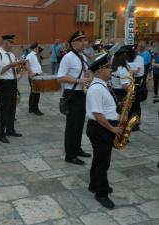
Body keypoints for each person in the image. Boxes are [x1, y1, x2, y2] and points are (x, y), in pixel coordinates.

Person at [86, 53, 123, 209]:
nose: (111, 69)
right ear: (101, 70)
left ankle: (94, 184)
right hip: (100, 128)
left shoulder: (102, 86)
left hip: (101, 127)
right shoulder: (96, 89)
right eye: (108, 67)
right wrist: (113, 128)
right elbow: (98, 115)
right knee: (103, 162)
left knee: (99, 159)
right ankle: (101, 193)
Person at [57, 31, 92, 165]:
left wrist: (89, 75)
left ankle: (77, 149)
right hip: (72, 95)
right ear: (73, 43)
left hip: (82, 94)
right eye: (81, 40)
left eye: (85, 40)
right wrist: (79, 80)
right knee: (72, 126)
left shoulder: (82, 56)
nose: (84, 43)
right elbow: (60, 77)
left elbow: (85, 73)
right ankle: (70, 155)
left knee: (79, 125)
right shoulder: (68, 57)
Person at [0, 34, 24, 144]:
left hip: (13, 82)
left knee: (12, 107)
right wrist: (11, 65)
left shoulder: (11, 54)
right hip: (4, 83)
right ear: (5, 43)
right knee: (4, 109)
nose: (12, 45)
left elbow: (14, 68)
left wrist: (19, 65)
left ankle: (10, 130)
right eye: (11, 43)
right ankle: (1, 133)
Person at [126, 45, 144, 131]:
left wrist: (125, 70)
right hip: (130, 81)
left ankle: (136, 124)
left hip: (136, 82)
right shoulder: (129, 59)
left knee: (136, 104)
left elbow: (136, 70)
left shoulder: (139, 58)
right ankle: (130, 122)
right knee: (130, 104)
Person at [26, 42, 43, 115]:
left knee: (33, 92)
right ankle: (35, 109)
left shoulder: (35, 55)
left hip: (37, 75)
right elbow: (27, 64)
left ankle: (31, 108)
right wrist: (31, 73)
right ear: (35, 48)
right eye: (37, 47)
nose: (38, 49)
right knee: (36, 93)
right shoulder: (31, 55)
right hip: (34, 76)